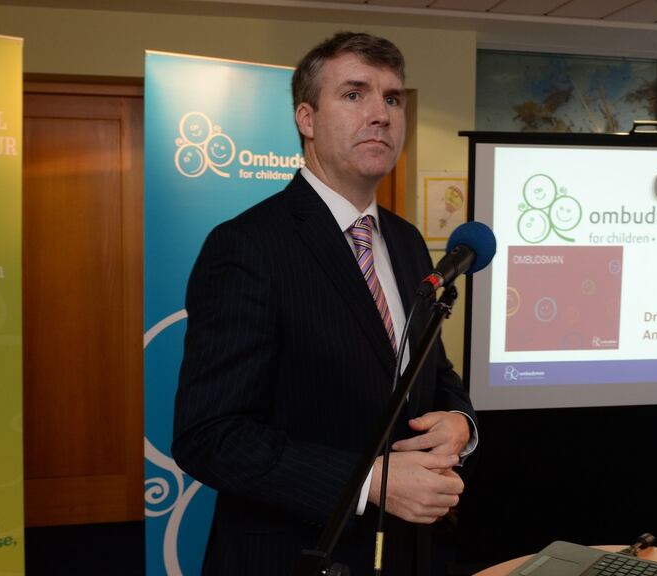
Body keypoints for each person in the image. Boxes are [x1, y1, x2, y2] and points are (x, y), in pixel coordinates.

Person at [172, 32, 477, 575]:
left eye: (392, 98)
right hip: (293, 554)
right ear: (307, 119)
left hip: (408, 552)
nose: (380, 114)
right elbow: (210, 436)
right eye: (355, 95)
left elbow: (431, 370)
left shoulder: (406, 242)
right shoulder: (247, 246)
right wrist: (368, 480)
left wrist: (460, 422)